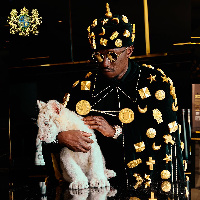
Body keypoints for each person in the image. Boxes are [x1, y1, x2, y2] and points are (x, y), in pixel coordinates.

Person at [43, 3, 185, 191]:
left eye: (112, 55)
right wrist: (60, 137)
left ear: (129, 50)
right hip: (93, 187)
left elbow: (165, 137)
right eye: (98, 56)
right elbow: (45, 131)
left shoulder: (156, 83)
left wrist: (115, 132)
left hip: (146, 185)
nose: (105, 63)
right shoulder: (81, 88)